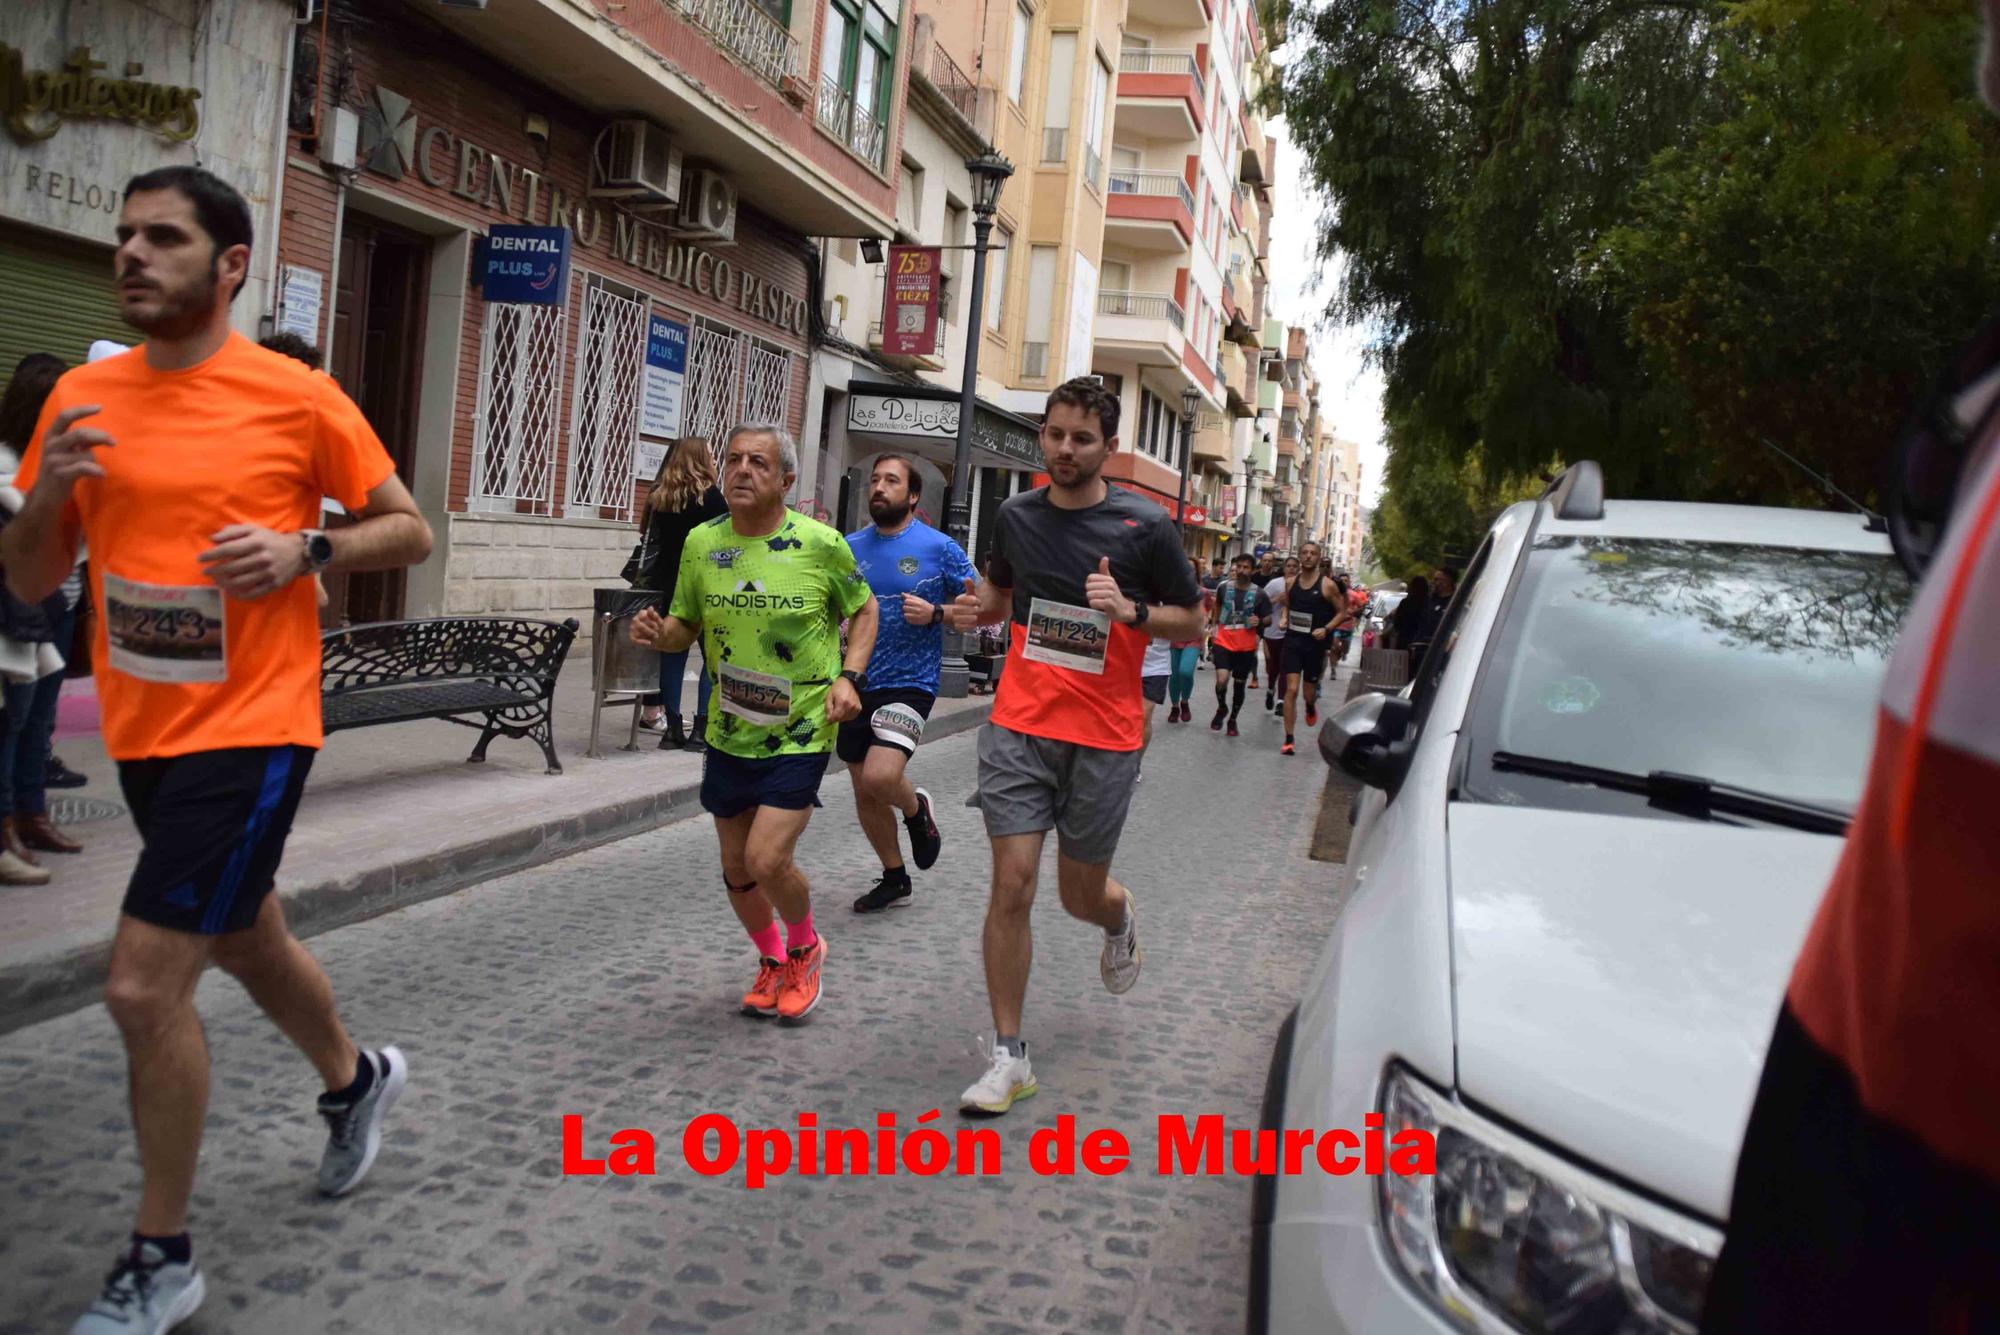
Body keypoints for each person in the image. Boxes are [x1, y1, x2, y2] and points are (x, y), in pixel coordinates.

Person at [2, 165, 433, 1335]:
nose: (132, 254)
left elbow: (407, 523)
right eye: (124, 235)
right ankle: (355, 1080)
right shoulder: (84, 403)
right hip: (142, 731)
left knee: (143, 985)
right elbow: (32, 576)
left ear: (231, 265)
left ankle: (162, 1253)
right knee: (246, 933)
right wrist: (55, 496)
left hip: (254, 728)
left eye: (165, 238)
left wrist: (307, 552)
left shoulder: (295, 398)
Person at [959, 378, 1205, 1115]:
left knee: (1078, 894)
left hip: (1105, 735)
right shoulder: (1015, 515)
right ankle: (1008, 1057)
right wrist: (968, 608)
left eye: (1082, 438)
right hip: (1021, 726)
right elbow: (1000, 598)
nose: (1065, 449)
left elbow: (1192, 622)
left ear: (1109, 447)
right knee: (1014, 882)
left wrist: (1128, 610)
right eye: (1055, 434)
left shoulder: (1145, 526)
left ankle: (1118, 914)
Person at [629, 423, 876, 1022]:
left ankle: (805, 947)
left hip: (800, 726)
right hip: (730, 726)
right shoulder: (701, 543)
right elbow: (685, 622)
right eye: (734, 459)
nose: (742, 470)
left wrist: (851, 677)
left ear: (786, 480)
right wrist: (662, 633)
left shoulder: (820, 544)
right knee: (737, 869)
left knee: (767, 860)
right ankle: (770, 962)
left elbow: (864, 608)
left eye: (758, 463)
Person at [840, 452, 978, 913]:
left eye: (892, 481)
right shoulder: (848, 546)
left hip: (911, 681)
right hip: (856, 679)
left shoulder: (940, 548)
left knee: (883, 776)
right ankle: (895, 877)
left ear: (913, 495)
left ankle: (917, 809)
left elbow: (985, 613)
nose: (879, 487)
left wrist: (938, 613)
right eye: (875, 479)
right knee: (864, 789)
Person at [0, 352, 80, 878]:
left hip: (62, 605)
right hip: (18, 612)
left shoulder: (50, 461)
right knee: (13, 720)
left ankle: (32, 813)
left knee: (41, 721)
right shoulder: (7, 467)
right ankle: (5, 827)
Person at [634, 438, 726, 750]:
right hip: (706, 583)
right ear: (702, 458)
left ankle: (672, 729)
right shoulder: (711, 497)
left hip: (668, 584)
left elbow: (647, 536)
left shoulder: (661, 497)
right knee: (710, 657)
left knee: (672, 655)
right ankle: (700, 727)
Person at [1275, 542, 1343, 756]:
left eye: (1313, 553)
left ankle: (1311, 706)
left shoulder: (1327, 585)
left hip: (1315, 645)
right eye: (1304, 553)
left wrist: (1326, 628)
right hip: (1293, 641)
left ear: (1319, 558)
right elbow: (1288, 606)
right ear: (1299, 556)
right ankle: (1288, 739)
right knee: (1291, 690)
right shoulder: (1290, 582)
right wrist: (1284, 618)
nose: (1308, 556)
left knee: (1307, 694)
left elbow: (1342, 611)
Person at [1208, 553, 1269, 737]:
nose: (1242, 570)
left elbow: (1268, 618)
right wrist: (1213, 625)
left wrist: (1259, 620)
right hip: (1224, 640)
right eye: (1239, 566)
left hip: (1246, 645)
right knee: (1221, 679)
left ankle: (1233, 719)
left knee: (1239, 686)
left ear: (1252, 570)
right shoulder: (1224, 588)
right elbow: (1217, 605)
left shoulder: (1259, 593)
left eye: (1246, 567)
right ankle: (1221, 707)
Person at [1167, 557, 1203, 720]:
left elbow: (1210, 611)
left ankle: (1185, 701)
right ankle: (1175, 706)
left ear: (1196, 572)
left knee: (1185, 672)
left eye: (1192, 568)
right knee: (1174, 675)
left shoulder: (1203, 593)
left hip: (1194, 638)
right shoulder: (1171, 590)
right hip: (1175, 636)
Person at [1262, 556, 1296, 711]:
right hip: (1273, 630)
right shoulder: (1274, 584)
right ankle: (1270, 689)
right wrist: (1277, 599)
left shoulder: (1301, 585)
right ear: (1283, 568)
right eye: (1288, 566)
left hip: (1291, 632)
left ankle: (1281, 701)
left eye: (1295, 566)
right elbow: (1260, 604)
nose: (1291, 569)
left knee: (1285, 665)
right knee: (1273, 665)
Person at [1386, 574, 1430, 651]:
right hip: (1423, 642)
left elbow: (1397, 623)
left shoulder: (1406, 603)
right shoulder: (1429, 603)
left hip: (1405, 640)